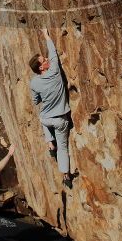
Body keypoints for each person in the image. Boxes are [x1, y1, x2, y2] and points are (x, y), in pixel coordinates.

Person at [29, 28, 73, 188]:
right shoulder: (54, 71)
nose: (47, 59)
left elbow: (35, 101)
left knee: (42, 118)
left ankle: (49, 144)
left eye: (45, 58)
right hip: (60, 119)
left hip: (47, 119)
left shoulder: (33, 82)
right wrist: (46, 35)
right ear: (41, 67)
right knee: (63, 147)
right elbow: (53, 52)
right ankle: (66, 175)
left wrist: (43, 95)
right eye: (44, 60)